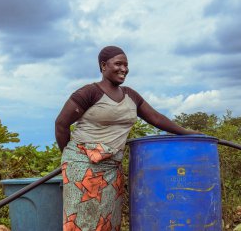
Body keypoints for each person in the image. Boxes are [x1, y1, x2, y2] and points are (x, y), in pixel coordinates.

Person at [55, 45, 198, 231]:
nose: (124, 69)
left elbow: (155, 118)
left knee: (108, 221)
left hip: (112, 167)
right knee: (82, 222)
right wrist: (71, 160)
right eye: (118, 64)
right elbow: (61, 124)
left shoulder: (131, 95)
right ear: (104, 65)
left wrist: (188, 132)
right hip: (82, 166)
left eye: (126, 65)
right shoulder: (89, 93)